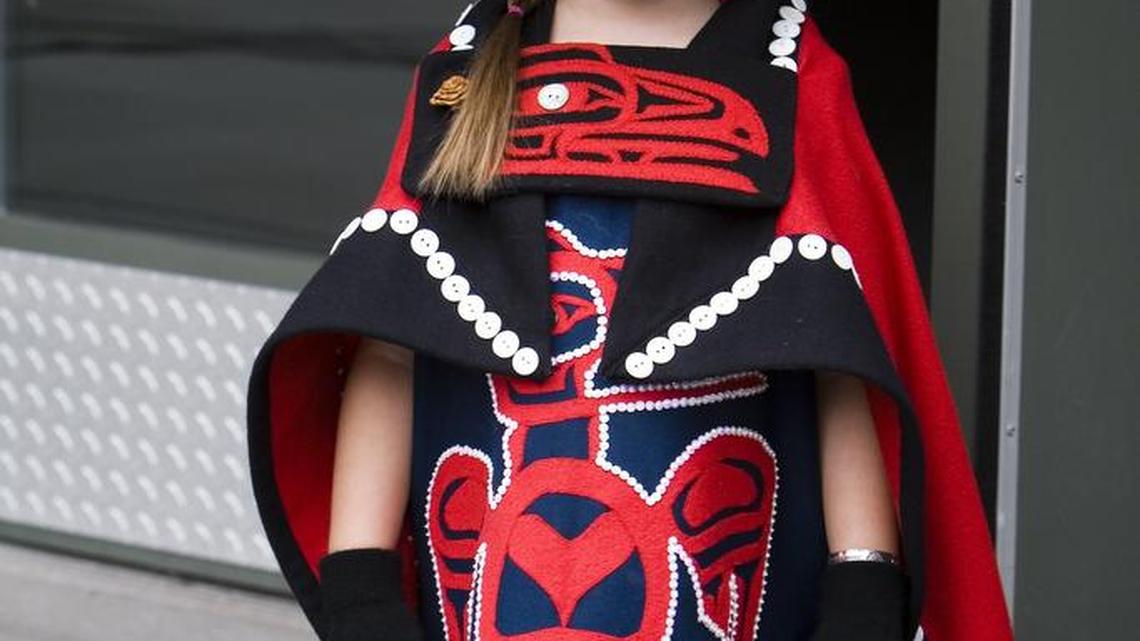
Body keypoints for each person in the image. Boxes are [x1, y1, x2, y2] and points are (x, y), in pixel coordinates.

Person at [245, 1, 1016, 640]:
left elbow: (842, 366)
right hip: (494, 594)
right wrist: (361, 582)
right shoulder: (470, 70)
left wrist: (862, 579)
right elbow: (395, 344)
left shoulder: (788, 76)